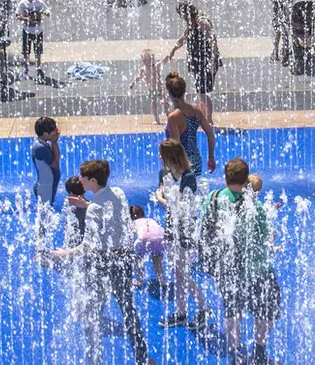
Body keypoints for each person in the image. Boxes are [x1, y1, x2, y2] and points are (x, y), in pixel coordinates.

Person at [199, 157, 278, 362]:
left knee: (232, 312)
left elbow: (204, 230)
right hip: (256, 269)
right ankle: (259, 353)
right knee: (264, 312)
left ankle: (236, 355)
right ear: (246, 182)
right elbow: (264, 236)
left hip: (227, 270)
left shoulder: (213, 198)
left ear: (225, 177)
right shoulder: (255, 206)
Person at [76, 158, 152, 365]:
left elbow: (87, 246)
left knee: (94, 313)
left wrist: (60, 253)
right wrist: (89, 204)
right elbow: (112, 213)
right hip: (123, 259)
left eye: (83, 177)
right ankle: (142, 357)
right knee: (128, 310)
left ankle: (95, 360)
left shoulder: (93, 210)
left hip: (102, 262)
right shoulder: (118, 192)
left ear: (92, 180)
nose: (79, 180)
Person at [155, 138, 211, 330]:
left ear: (170, 156)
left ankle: (204, 308)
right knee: (177, 273)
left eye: (162, 153)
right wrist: (165, 199)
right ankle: (181, 312)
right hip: (171, 228)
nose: (159, 156)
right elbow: (165, 195)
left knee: (183, 274)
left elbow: (179, 205)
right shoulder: (164, 172)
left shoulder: (188, 177)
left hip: (186, 230)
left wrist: (162, 200)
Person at [158, 71, 215, 191]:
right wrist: (211, 157)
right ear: (184, 92)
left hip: (181, 163)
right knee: (193, 193)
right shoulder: (197, 110)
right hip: (196, 159)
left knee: (177, 195)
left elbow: (176, 145)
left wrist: (165, 154)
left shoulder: (173, 117)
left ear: (170, 94)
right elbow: (210, 134)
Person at [165, 2, 224, 95]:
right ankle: (204, 108)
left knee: (204, 91)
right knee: (201, 90)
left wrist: (213, 60)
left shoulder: (201, 21)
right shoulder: (190, 23)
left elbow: (213, 40)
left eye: (182, 14)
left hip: (206, 60)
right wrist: (173, 50)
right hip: (197, 61)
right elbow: (184, 38)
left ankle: (205, 109)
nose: (182, 17)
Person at [17, 0, 48, 74]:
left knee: (38, 51)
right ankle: (26, 69)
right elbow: (17, 15)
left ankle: (38, 68)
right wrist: (26, 19)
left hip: (38, 30)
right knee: (26, 51)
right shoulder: (22, 3)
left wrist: (44, 12)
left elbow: (48, 12)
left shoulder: (40, 3)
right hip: (26, 30)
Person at [31, 116, 62, 205]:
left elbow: (57, 156)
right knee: (45, 215)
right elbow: (56, 164)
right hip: (45, 188)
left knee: (47, 213)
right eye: (53, 131)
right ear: (45, 134)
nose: (56, 132)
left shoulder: (43, 143)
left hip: (48, 185)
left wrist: (54, 143)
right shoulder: (40, 147)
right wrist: (54, 142)